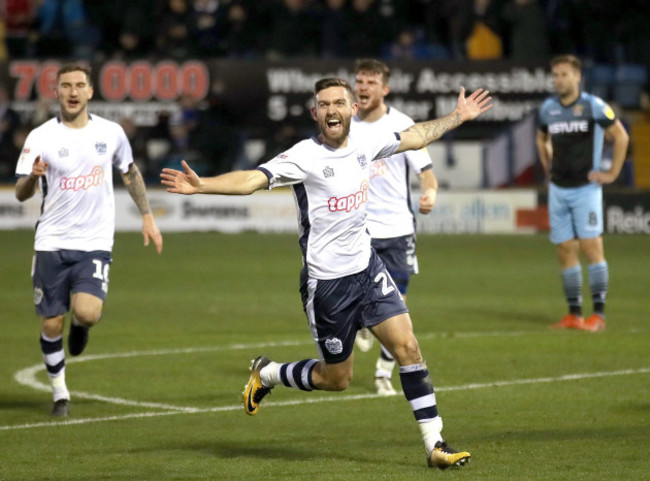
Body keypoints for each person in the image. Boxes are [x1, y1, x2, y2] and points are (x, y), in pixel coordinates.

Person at [161, 77, 491, 469]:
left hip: (367, 269)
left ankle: (435, 445)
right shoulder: (304, 156)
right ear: (315, 113)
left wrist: (458, 115)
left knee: (408, 347)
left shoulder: (367, 143)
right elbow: (252, 179)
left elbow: (416, 136)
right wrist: (204, 186)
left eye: (339, 102)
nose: (332, 109)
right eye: (324, 104)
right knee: (337, 379)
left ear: (352, 109)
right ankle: (267, 374)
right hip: (327, 286)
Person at [15, 64, 163, 417]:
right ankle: (60, 394)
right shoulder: (40, 136)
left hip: (94, 240)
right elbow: (21, 193)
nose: (72, 91)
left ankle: (81, 327)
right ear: (57, 92)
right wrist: (33, 179)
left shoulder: (110, 133)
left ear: (90, 92)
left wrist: (147, 214)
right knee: (51, 323)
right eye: (66, 85)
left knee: (88, 312)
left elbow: (129, 171)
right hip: (51, 241)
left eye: (79, 85)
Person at [351, 58, 438, 396]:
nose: (363, 87)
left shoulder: (402, 124)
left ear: (384, 89)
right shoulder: (345, 125)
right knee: (365, 300)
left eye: (371, 82)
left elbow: (427, 174)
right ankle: (361, 319)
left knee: (397, 306)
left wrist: (429, 193)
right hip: (359, 229)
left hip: (399, 230)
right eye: (359, 81)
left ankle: (383, 373)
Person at [536, 54, 629, 332]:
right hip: (558, 189)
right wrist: (546, 163)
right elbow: (541, 137)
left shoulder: (593, 106)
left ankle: (597, 316)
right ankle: (574, 314)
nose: (559, 79)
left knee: (591, 248)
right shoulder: (548, 109)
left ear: (578, 77)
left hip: (586, 189)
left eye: (564, 74)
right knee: (565, 250)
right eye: (555, 75)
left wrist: (611, 174)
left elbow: (621, 136)